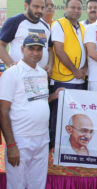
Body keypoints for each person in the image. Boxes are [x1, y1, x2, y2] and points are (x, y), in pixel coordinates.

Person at [0, 34, 62, 189]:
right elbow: (3, 110)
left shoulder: (41, 72)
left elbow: (38, 100)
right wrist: (11, 144)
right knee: (17, 185)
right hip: (21, 139)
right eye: (31, 49)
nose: (35, 52)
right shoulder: (12, 74)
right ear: (22, 49)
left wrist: (54, 96)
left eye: (39, 49)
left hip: (41, 139)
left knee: (37, 184)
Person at [50, 0, 87, 148]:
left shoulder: (82, 27)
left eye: (79, 8)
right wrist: (74, 70)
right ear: (66, 8)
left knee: (75, 116)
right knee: (58, 115)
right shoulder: (58, 24)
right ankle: (54, 144)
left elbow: (85, 50)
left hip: (80, 79)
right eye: (72, 7)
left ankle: (69, 146)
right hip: (63, 79)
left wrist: (84, 69)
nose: (76, 10)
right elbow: (58, 49)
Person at [0, 0, 53, 75]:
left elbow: (50, 49)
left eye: (42, 7)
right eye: (36, 7)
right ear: (26, 5)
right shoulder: (14, 22)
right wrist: (11, 64)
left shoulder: (45, 26)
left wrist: (50, 65)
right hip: (19, 75)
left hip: (39, 77)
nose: (39, 10)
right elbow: (1, 45)